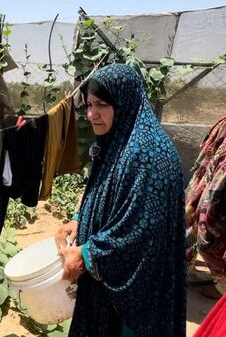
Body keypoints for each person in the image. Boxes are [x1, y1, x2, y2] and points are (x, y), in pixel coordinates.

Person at [55, 64, 186, 337]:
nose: (92, 114)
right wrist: (80, 220)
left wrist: (88, 255)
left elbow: (141, 232)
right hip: (106, 289)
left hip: (136, 300)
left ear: (124, 102)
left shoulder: (149, 155)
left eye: (102, 104)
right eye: (89, 104)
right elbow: (109, 193)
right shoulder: (119, 142)